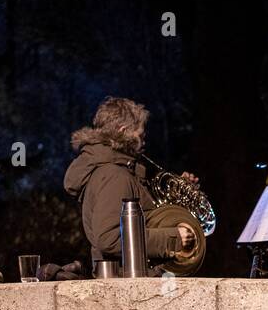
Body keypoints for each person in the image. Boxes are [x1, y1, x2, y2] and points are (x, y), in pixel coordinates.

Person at [63, 97, 199, 273]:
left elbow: (147, 220)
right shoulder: (114, 176)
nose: (144, 140)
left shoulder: (120, 171)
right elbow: (109, 238)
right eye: (140, 134)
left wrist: (180, 196)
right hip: (128, 284)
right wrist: (173, 238)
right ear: (123, 130)